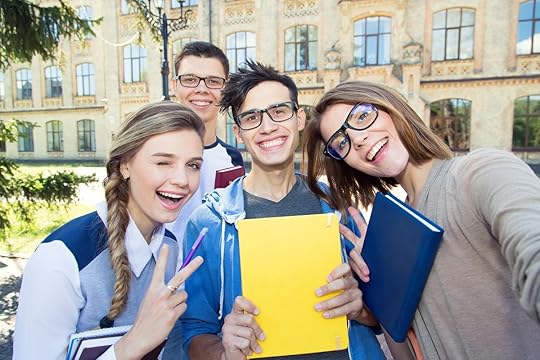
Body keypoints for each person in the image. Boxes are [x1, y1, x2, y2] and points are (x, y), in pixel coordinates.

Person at [303, 80, 540, 360]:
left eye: (362, 116)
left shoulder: (477, 172)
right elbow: (407, 352)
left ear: (391, 107)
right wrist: (380, 285)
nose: (357, 139)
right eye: (341, 143)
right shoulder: (395, 224)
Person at [180, 60, 385, 360]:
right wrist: (224, 350)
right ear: (238, 132)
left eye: (279, 111)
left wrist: (362, 309)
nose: (267, 126)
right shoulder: (208, 223)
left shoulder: (340, 209)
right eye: (251, 118)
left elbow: (383, 316)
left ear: (300, 118)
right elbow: (195, 333)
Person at [13, 101, 206, 360]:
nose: (182, 180)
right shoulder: (61, 259)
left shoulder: (170, 247)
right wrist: (133, 343)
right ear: (125, 164)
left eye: (193, 165)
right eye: (163, 162)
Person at [168, 41, 244, 246]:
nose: (202, 89)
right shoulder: (154, 152)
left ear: (225, 88)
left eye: (213, 81)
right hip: (161, 272)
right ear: (174, 85)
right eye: (190, 79)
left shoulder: (233, 159)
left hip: (216, 272)